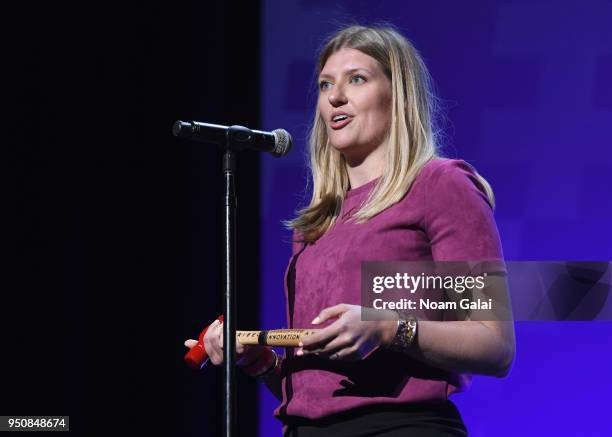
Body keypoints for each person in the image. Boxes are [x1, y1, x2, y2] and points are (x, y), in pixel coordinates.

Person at [185, 24, 515, 436]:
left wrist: (387, 326)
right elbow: (317, 394)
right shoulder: (318, 221)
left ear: (398, 95)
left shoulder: (441, 185)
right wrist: (259, 362)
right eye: (325, 85)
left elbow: (494, 344)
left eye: (356, 79)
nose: (335, 96)